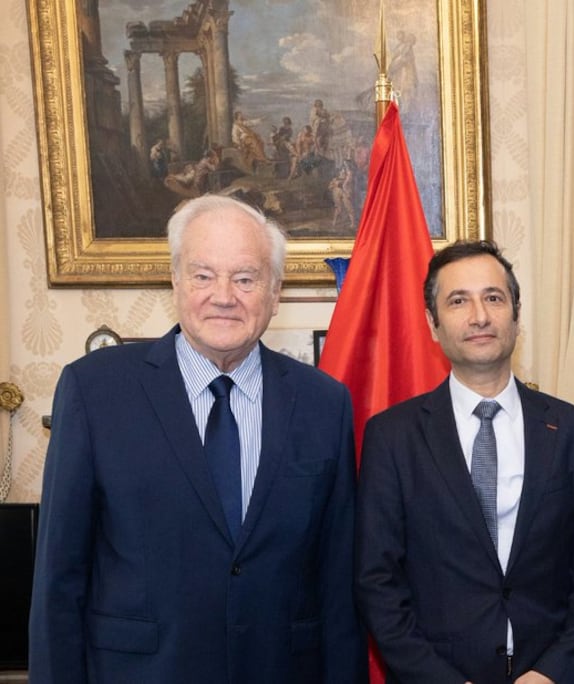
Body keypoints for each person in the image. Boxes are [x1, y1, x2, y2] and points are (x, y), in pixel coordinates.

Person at [28, 195, 366, 683]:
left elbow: (337, 588)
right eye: (203, 275)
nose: (223, 295)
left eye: (245, 278)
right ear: (176, 281)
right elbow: (59, 579)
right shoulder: (94, 390)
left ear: (275, 292)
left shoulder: (323, 402)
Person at [355, 240, 574, 684]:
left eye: (493, 298)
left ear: (516, 315)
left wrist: (552, 673)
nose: (479, 316)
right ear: (432, 323)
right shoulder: (393, 437)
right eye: (458, 301)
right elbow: (377, 581)